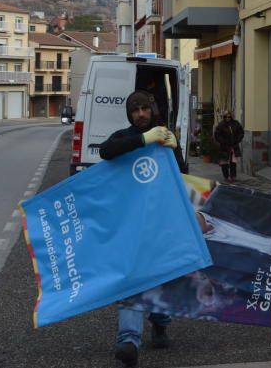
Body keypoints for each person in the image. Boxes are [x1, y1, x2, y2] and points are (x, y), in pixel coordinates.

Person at [92, 90, 183, 367]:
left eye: (145, 108)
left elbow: (179, 176)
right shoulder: (124, 137)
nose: (140, 114)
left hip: (158, 225)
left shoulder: (165, 139)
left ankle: (160, 324)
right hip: (128, 226)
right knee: (130, 279)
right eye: (135, 110)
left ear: (153, 109)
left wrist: (175, 150)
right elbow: (106, 151)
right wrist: (144, 139)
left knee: (156, 279)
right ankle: (129, 341)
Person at [214, 110, 244, 182]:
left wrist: (237, 140)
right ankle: (226, 176)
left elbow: (241, 132)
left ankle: (233, 176)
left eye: (229, 116)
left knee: (233, 162)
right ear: (224, 117)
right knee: (224, 163)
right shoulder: (221, 125)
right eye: (226, 116)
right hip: (224, 147)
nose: (228, 118)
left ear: (231, 116)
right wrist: (223, 141)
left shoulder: (235, 124)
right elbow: (217, 135)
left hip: (233, 146)